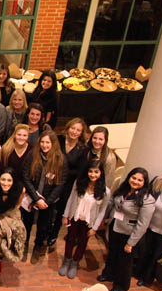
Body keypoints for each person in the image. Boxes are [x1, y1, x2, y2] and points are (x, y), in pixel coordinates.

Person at [97, 167, 154, 291]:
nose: (135, 181)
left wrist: (131, 243)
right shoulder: (123, 189)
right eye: (133, 178)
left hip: (129, 234)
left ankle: (121, 285)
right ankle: (109, 274)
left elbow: (143, 224)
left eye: (140, 180)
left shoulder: (147, 199)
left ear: (145, 183)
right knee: (112, 254)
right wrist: (104, 219)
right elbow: (112, 202)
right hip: (115, 226)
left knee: (124, 261)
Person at [59, 160, 110, 279]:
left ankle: (74, 263)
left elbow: (102, 211)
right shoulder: (79, 183)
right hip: (74, 217)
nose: (93, 174)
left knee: (83, 242)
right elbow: (71, 199)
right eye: (90, 171)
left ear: (101, 173)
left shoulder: (105, 191)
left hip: (88, 222)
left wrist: (95, 228)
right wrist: (65, 215)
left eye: (96, 172)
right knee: (70, 239)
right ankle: (66, 261)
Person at [22, 130, 67, 264]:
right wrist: (36, 198)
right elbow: (25, 176)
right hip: (32, 197)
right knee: (27, 223)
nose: (44, 145)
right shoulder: (33, 155)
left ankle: (37, 246)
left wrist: (46, 202)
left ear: (53, 143)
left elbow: (61, 183)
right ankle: (24, 245)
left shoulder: (61, 159)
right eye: (42, 141)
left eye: (47, 142)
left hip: (48, 201)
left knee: (43, 226)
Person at [50, 118, 89, 248]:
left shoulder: (83, 149)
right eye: (73, 128)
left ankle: (54, 234)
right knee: (49, 207)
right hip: (52, 179)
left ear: (81, 133)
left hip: (68, 184)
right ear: (68, 128)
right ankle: (44, 231)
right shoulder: (58, 139)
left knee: (61, 209)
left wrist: (63, 173)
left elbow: (80, 170)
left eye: (78, 130)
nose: (74, 132)